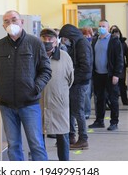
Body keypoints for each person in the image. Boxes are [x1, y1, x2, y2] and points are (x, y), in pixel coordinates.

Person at [0, 10, 52, 161]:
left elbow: (46, 70)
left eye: (14, 20)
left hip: (30, 104)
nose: (11, 24)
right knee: (13, 145)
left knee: (36, 144)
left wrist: (35, 89)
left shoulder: (35, 44)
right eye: (7, 21)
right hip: (6, 105)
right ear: (3, 26)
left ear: (22, 22)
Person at [40, 28, 74, 161]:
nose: (47, 41)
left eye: (50, 39)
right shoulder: (36, 55)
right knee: (38, 137)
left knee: (62, 135)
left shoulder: (65, 57)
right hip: (40, 102)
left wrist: (58, 90)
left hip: (59, 101)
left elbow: (70, 79)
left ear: (56, 42)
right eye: (44, 39)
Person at [59, 24, 93, 149]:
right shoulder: (76, 43)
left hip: (80, 83)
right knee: (72, 110)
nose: (64, 40)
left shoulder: (82, 44)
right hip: (76, 82)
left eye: (65, 37)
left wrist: (72, 80)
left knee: (78, 111)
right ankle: (71, 136)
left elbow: (85, 67)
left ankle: (83, 139)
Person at [89, 19, 123, 131]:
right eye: (99, 26)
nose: (101, 28)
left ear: (108, 28)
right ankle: (99, 120)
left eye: (103, 26)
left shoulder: (114, 41)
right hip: (98, 74)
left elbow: (119, 59)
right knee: (99, 98)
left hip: (110, 75)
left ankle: (114, 122)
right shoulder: (95, 40)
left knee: (113, 99)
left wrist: (116, 74)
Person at [110, 25, 128, 107]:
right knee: (113, 86)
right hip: (112, 67)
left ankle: (125, 100)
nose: (116, 35)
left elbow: (127, 54)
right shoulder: (110, 42)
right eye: (114, 33)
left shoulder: (123, 43)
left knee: (122, 85)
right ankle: (113, 102)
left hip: (121, 67)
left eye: (117, 33)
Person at [81, 26, 94, 119]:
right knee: (87, 92)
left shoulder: (94, 41)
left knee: (88, 92)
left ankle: (87, 111)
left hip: (92, 70)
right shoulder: (82, 42)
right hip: (87, 70)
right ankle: (86, 111)